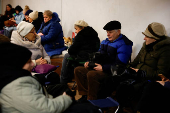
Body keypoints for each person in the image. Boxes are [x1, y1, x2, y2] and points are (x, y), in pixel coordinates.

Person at [0, 42, 73, 113]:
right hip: (46, 104)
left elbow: (46, 56)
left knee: (59, 85)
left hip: (40, 92)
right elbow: (46, 109)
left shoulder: (14, 78)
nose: (32, 64)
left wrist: (46, 61)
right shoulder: (16, 86)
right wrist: (65, 98)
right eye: (29, 62)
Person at [113, 22, 170, 111]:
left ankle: (128, 108)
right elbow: (135, 61)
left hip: (147, 79)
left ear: (155, 38)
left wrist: (141, 73)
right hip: (137, 75)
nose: (144, 38)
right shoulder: (146, 46)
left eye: (147, 36)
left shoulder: (165, 50)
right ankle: (121, 107)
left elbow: (161, 74)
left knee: (125, 87)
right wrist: (127, 68)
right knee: (115, 78)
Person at [74, 20, 133, 101]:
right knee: (78, 70)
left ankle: (92, 100)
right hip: (102, 67)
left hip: (112, 72)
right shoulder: (106, 41)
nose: (107, 34)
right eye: (107, 32)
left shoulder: (124, 44)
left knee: (92, 74)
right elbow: (97, 55)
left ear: (118, 32)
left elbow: (120, 65)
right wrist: (89, 61)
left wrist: (103, 68)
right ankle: (84, 95)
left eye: (110, 32)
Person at [60, 20, 100, 84]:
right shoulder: (94, 34)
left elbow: (71, 51)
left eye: (76, 29)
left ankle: (63, 81)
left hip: (83, 57)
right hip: (92, 56)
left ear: (82, 28)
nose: (75, 31)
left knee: (67, 56)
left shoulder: (80, 36)